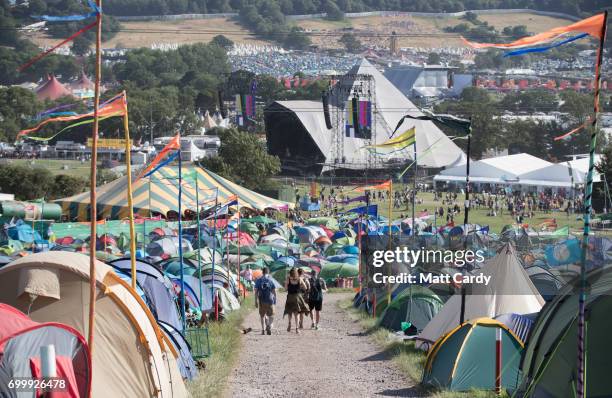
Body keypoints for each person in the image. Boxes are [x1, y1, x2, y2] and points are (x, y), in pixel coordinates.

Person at [284, 268, 309, 334]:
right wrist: (299, 287)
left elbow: (285, 289)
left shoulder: (288, 279)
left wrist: (288, 286)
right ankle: (297, 328)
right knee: (296, 313)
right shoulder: (299, 279)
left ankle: (289, 323)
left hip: (290, 297)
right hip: (297, 297)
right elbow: (305, 287)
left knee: (289, 312)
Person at [254, 267, 276, 335]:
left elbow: (256, 292)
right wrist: (275, 299)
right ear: (268, 272)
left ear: (262, 272)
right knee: (271, 315)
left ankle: (263, 330)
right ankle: (269, 325)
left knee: (262, 316)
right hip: (270, 300)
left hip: (261, 300)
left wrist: (256, 301)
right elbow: (274, 291)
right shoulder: (270, 280)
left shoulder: (258, 280)